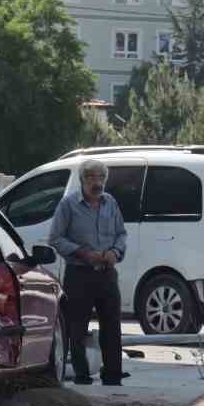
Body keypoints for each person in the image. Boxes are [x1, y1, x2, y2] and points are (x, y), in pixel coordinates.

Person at [48, 158, 129, 386]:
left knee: (112, 326)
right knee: (77, 327)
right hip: (79, 274)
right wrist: (82, 252)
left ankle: (113, 375)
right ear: (83, 180)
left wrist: (115, 251)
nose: (98, 182)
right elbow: (55, 238)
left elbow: (121, 233)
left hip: (107, 273)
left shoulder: (110, 203)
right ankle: (81, 375)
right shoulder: (68, 204)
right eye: (92, 177)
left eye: (101, 178)